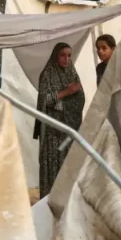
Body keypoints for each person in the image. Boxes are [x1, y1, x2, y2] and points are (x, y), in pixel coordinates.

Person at [33, 42, 85, 198]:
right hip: (51, 132)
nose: (67, 59)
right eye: (63, 55)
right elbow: (44, 100)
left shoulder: (72, 73)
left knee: (67, 168)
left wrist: (60, 102)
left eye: (69, 55)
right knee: (51, 168)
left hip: (68, 132)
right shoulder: (47, 74)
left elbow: (80, 99)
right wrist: (66, 92)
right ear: (56, 56)